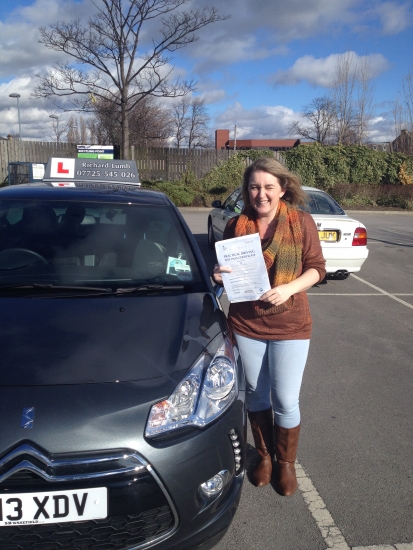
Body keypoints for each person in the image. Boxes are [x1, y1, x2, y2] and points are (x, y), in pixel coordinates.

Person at [212, 157, 326, 496]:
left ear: (282, 188)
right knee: (258, 394)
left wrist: (289, 288)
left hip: (290, 324)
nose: (261, 194)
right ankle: (263, 456)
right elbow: (227, 269)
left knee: (286, 399)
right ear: (248, 190)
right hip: (247, 323)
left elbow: (317, 268)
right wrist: (219, 274)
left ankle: (285, 463)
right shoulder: (237, 224)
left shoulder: (301, 222)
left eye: (268, 187)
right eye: (254, 187)